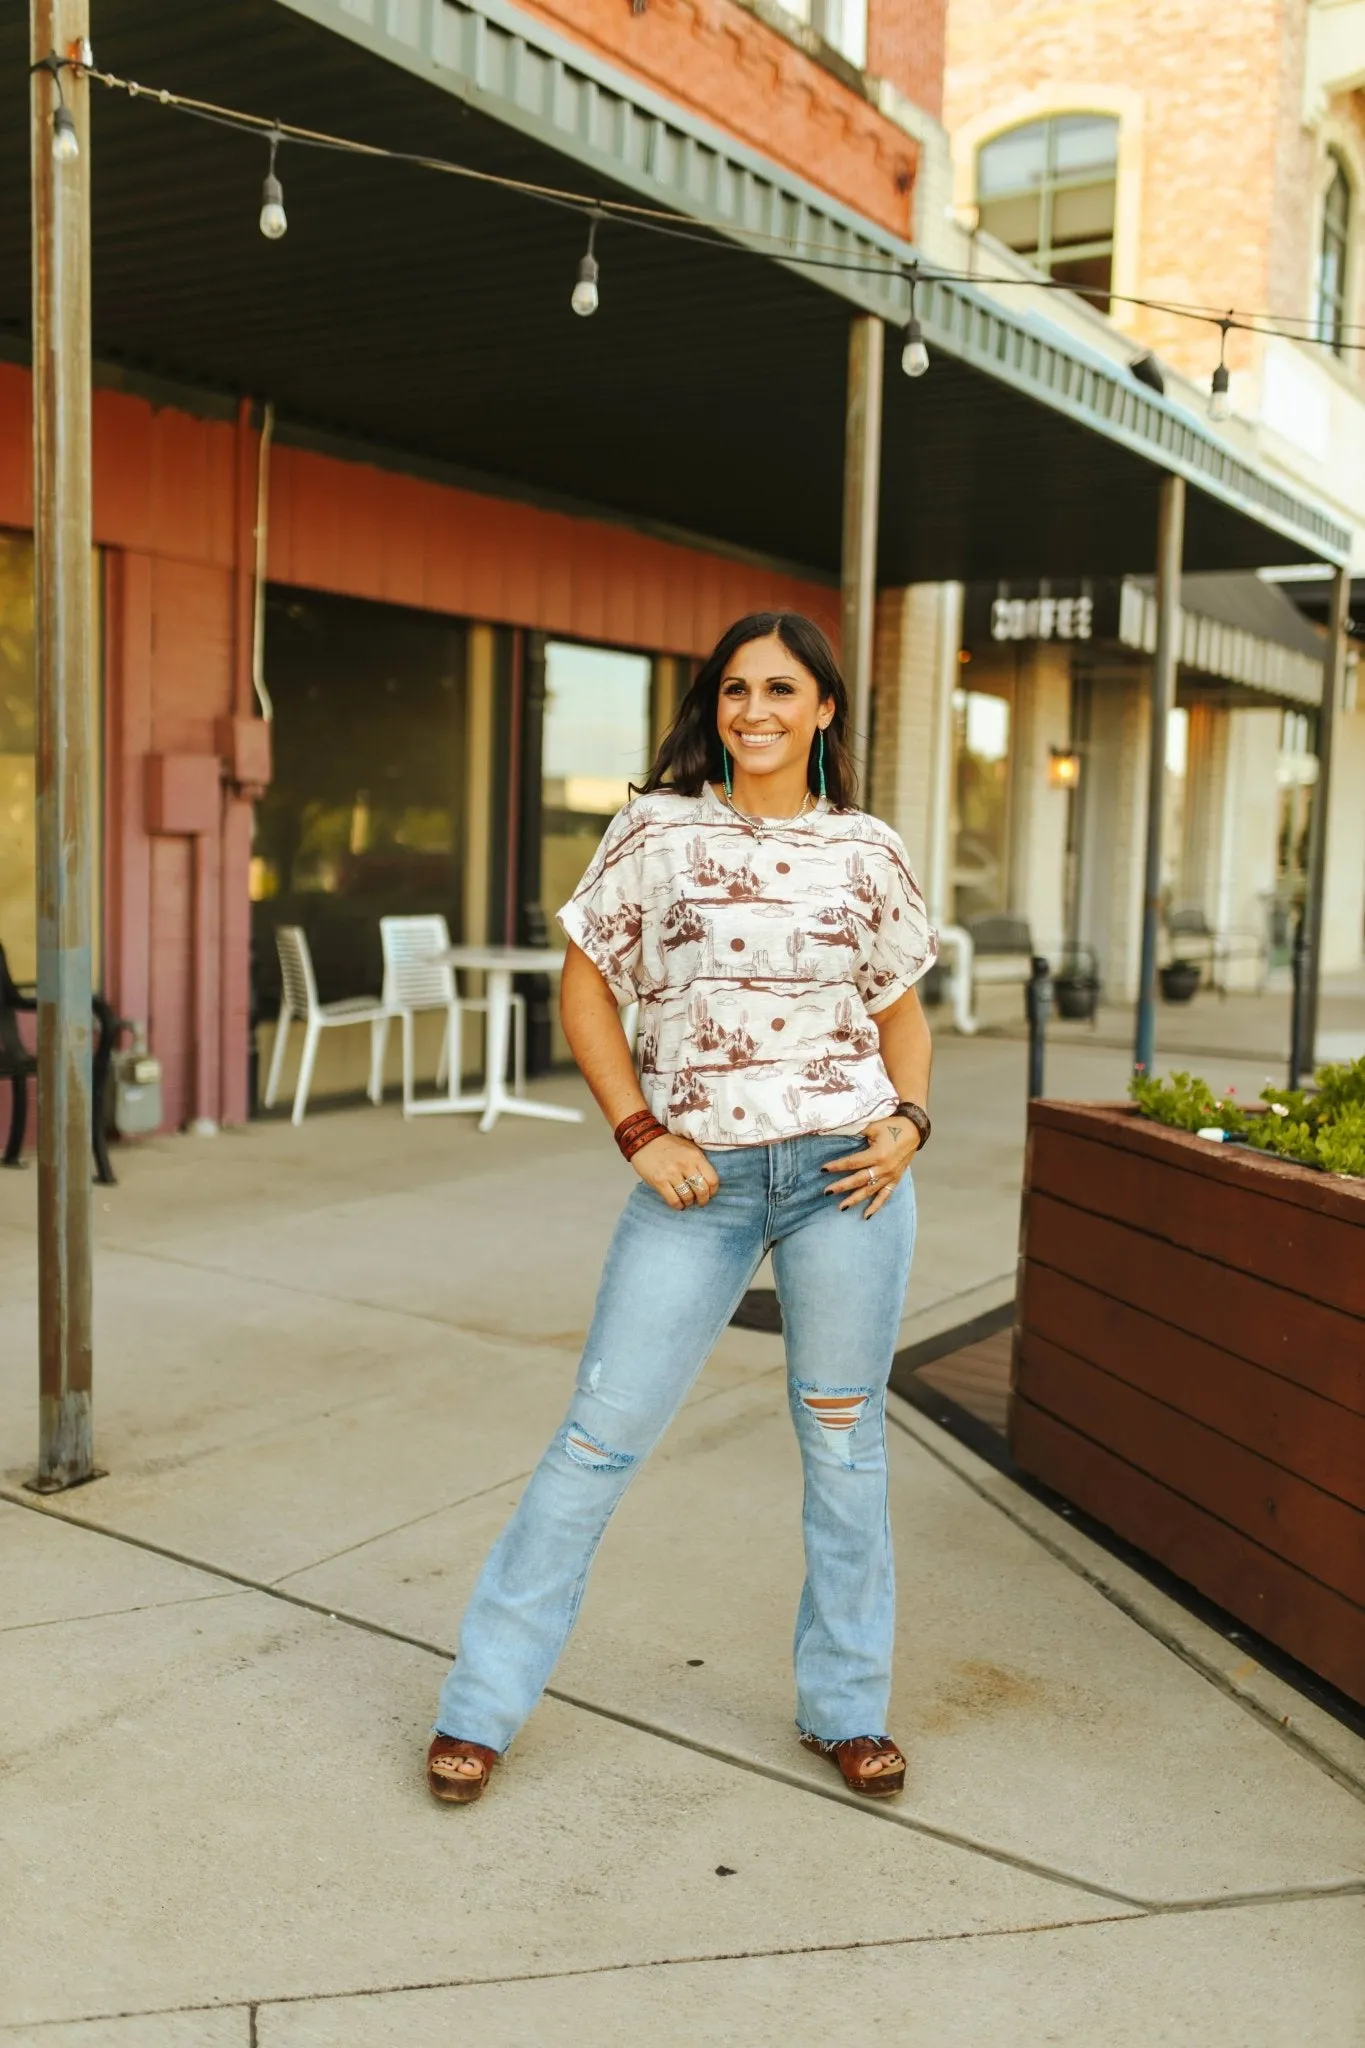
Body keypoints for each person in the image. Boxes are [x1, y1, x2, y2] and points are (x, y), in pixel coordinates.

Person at [427, 610, 936, 1805]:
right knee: (595, 1443)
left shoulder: (869, 850)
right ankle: (479, 1708)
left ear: (824, 711)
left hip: (842, 1180)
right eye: (733, 690)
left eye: (780, 689)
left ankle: (847, 1707)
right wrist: (640, 1129)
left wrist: (908, 1123)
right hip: (696, 1182)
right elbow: (588, 986)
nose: (753, 710)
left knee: (846, 1449)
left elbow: (901, 1011)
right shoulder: (655, 831)